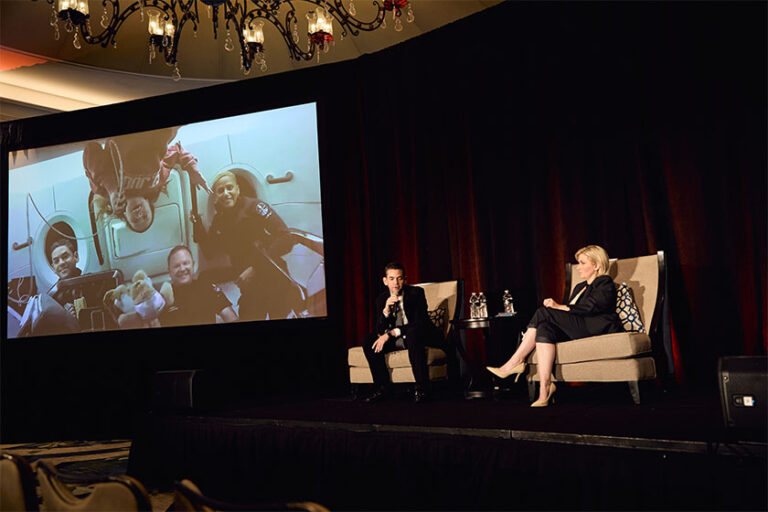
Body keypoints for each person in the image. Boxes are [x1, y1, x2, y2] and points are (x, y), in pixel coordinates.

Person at [486, 245, 622, 407]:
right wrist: (560, 310)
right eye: (578, 263)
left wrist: (559, 307)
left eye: (582, 263)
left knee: (544, 312)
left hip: (593, 328)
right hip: (579, 327)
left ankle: (516, 361)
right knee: (544, 327)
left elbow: (593, 306)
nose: (578, 267)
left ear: (597, 265)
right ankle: (545, 389)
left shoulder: (604, 282)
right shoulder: (580, 287)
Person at [194, 170, 300, 321]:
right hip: (251, 288)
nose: (226, 193)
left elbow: (286, 237)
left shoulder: (255, 207)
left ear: (237, 189)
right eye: (220, 190)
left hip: (273, 278)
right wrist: (198, 227)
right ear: (216, 196)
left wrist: (254, 268)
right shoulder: (219, 221)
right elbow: (211, 253)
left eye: (229, 188)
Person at [84, 126, 210, 232]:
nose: (139, 214)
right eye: (145, 216)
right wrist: (192, 169)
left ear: (124, 215)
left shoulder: (105, 191)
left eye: (135, 220)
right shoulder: (157, 182)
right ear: (150, 205)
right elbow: (176, 151)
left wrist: (111, 188)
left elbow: (91, 149)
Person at [361, 262, 442, 404]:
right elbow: (380, 331)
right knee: (368, 339)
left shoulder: (416, 293)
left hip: (417, 336)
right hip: (397, 340)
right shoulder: (381, 299)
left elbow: (419, 323)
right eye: (391, 279)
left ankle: (422, 388)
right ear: (385, 281)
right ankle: (382, 387)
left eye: (399, 278)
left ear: (405, 279)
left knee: (413, 334)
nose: (396, 283)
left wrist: (391, 333)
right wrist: (386, 311)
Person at [158, 245, 238, 327]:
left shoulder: (206, 287)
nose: (182, 269)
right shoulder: (163, 298)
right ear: (169, 271)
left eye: (186, 263)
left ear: (193, 264)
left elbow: (230, 316)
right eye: (176, 266)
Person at [48, 239, 83, 315]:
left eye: (65, 256)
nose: (61, 263)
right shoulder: (53, 298)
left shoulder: (92, 283)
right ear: (53, 268)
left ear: (76, 257)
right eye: (56, 261)